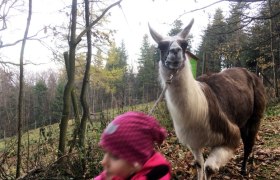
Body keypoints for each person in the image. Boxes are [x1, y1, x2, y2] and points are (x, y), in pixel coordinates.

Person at [94, 111, 171, 180]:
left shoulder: (157, 174)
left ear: (136, 163)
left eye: (115, 157)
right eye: (105, 152)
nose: (104, 161)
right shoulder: (114, 173)